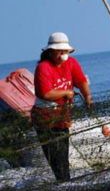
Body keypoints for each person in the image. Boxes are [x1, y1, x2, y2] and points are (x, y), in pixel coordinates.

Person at [32, 32, 93, 181]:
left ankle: (65, 182)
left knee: (63, 156)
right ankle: (63, 184)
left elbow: (81, 81)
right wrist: (67, 91)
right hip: (45, 119)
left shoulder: (71, 63)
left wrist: (88, 98)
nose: (62, 55)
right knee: (56, 158)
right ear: (50, 52)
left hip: (63, 117)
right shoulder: (43, 67)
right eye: (59, 51)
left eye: (64, 51)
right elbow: (45, 94)